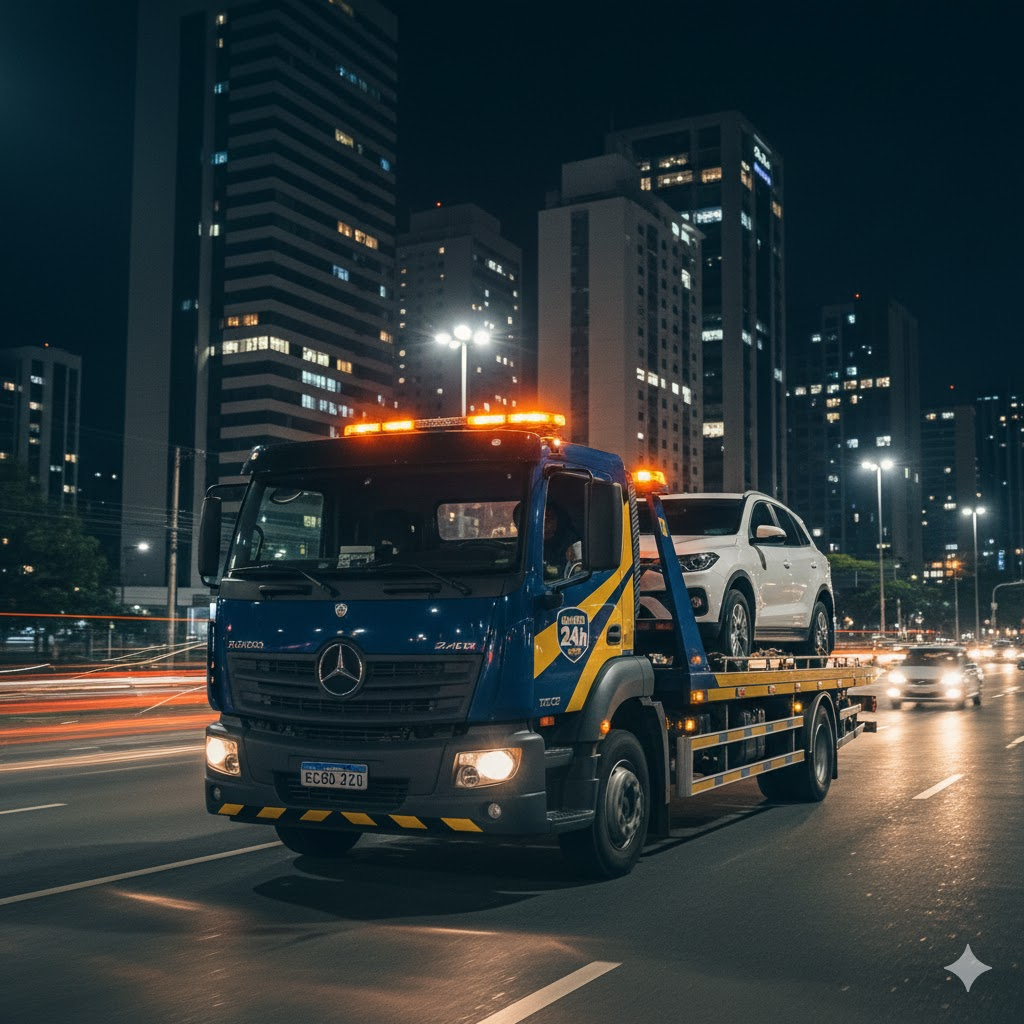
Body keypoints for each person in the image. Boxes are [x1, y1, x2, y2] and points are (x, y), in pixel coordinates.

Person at [543, 502, 581, 579]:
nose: (547, 524)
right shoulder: (533, 542)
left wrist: (553, 569)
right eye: (544, 519)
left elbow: (575, 569)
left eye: (552, 518)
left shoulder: (570, 539)